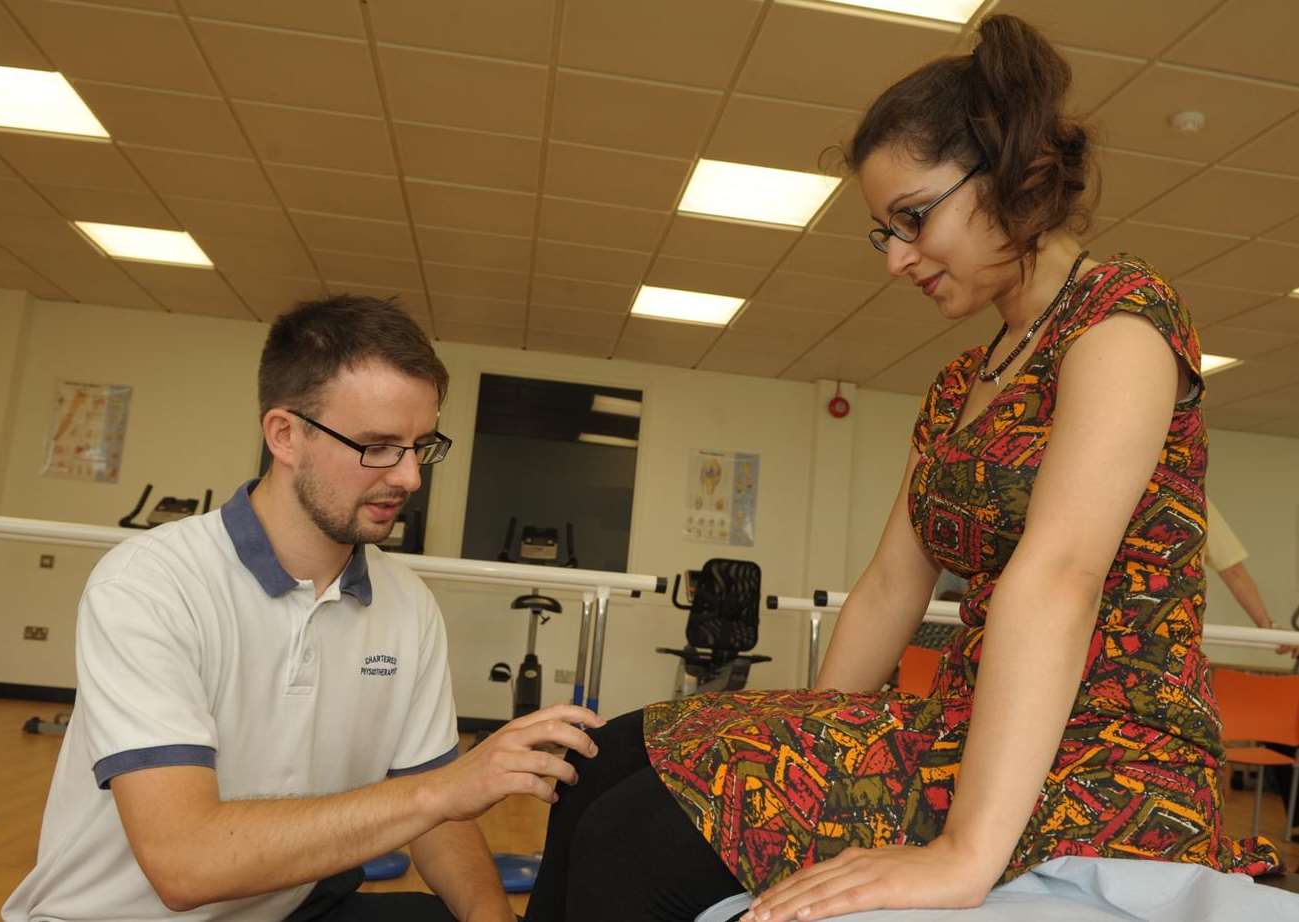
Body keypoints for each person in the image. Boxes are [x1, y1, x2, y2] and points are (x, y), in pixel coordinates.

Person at [522, 15, 1280, 922]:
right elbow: (890, 585)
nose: (896, 259)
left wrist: (964, 855)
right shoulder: (966, 378)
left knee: (635, 839)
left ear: (1008, 173)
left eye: (913, 219)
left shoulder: (1120, 322)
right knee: (599, 763)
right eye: (881, 233)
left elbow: (1060, 576)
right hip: (958, 726)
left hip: (1106, 754)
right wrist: (802, 740)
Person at [4, 295, 603, 922]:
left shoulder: (409, 607)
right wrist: (439, 791)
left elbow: (439, 822)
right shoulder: (150, 583)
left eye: (421, 446)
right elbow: (185, 864)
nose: (410, 479)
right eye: (377, 446)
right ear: (285, 435)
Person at [1206, 498, 1295, 656]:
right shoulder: (1194, 498)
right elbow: (1233, 571)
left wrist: (1268, 628)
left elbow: (1233, 570)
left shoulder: (1194, 498)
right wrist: (1268, 627)